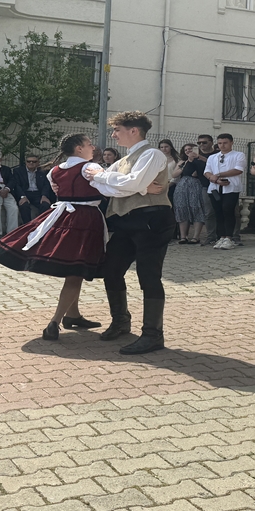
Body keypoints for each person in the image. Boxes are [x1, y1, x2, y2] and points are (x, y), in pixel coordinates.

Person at [0, 133, 148, 340]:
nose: (93, 147)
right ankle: (54, 322)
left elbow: (56, 188)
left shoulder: (55, 170)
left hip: (61, 216)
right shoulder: (89, 167)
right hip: (84, 220)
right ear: (79, 149)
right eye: (89, 144)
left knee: (73, 268)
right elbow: (109, 188)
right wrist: (143, 187)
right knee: (76, 270)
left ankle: (73, 315)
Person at [89, 111, 176, 355]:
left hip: (152, 221)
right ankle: (121, 321)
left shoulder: (152, 154)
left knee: (149, 276)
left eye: (117, 130)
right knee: (111, 269)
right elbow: (102, 187)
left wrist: (120, 182)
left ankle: (153, 335)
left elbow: (114, 183)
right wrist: (133, 186)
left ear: (133, 130)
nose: (114, 135)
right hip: (126, 222)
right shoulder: (122, 161)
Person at [204, 133, 247, 250]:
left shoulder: (238, 155)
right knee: (218, 212)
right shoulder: (212, 157)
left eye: (225, 143)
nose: (222, 146)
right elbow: (207, 171)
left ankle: (230, 237)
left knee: (228, 210)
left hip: (231, 188)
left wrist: (218, 175)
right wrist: (215, 179)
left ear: (231, 142)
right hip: (215, 188)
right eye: (220, 143)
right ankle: (221, 236)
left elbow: (238, 170)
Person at [173, 144, 208, 245]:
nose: (188, 151)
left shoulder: (201, 160)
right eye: (186, 150)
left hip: (196, 185)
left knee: (196, 208)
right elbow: (174, 174)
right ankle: (183, 236)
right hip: (182, 186)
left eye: (190, 149)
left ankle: (196, 237)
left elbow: (199, 173)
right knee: (181, 208)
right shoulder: (182, 162)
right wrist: (186, 163)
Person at [11, 154, 54, 225]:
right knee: (24, 206)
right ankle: (27, 226)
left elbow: (46, 184)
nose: (31, 163)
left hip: (38, 194)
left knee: (45, 205)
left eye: (34, 162)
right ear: (25, 162)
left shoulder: (43, 171)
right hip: (25, 193)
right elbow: (16, 185)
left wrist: (44, 195)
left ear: (38, 163)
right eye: (29, 161)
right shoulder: (18, 171)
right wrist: (22, 196)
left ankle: (41, 225)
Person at [195, 134, 220, 245]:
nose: (201, 145)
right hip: (206, 186)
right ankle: (211, 236)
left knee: (227, 211)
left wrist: (202, 159)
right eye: (199, 143)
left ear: (211, 142)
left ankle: (230, 235)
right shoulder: (196, 156)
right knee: (209, 212)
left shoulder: (216, 154)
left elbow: (218, 166)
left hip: (221, 185)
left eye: (204, 142)